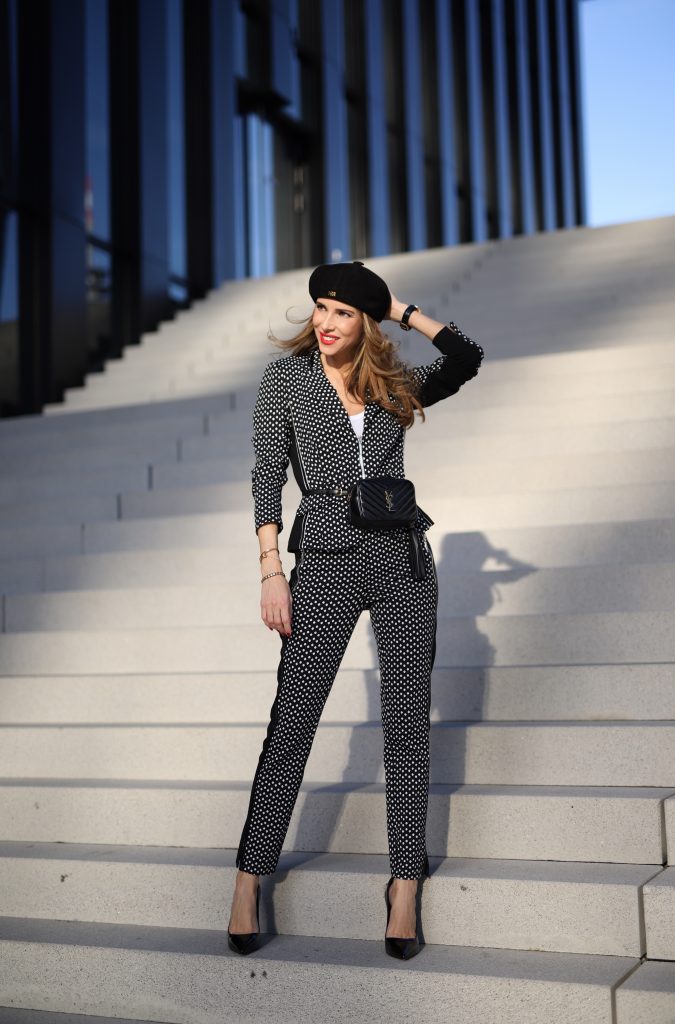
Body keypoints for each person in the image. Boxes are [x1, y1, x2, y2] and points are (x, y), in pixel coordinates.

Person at [227, 260, 484, 960]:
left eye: (342, 312)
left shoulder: (392, 384)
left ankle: (403, 884)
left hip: (402, 561)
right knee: (294, 724)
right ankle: (249, 878)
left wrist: (401, 310)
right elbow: (264, 474)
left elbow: (466, 357)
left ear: (364, 321)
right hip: (327, 564)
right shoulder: (287, 380)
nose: (326, 322)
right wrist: (270, 570)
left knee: (405, 726)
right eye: (320, 308)